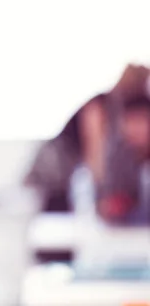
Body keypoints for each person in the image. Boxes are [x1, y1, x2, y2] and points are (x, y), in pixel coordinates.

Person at [24, 63, 150, 224]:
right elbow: (95, 156)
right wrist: (102, 194)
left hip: (66, 174)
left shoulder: (120, 111)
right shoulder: (99, 106)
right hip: (54, 171)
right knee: (54, 225)